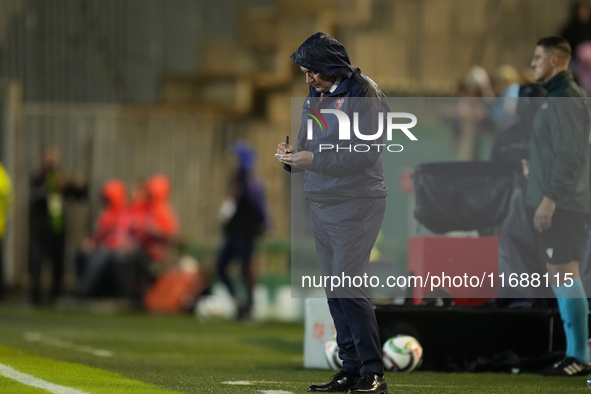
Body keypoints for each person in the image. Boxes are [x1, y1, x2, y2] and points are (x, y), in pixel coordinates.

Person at [277, 32, 388, 394]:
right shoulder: (318, 94)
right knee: (334, 289)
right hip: (323, 202)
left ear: (329, 66)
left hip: (357, 202)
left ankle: (374, 373)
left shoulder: (363, 93)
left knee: (348, 285)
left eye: (312, 71)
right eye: (305, 72)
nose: (307, 78)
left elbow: (365, 154)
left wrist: (314, 159)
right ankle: (351, 369)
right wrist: (293, 156)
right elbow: (310, 144)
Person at [527, 36, 591, 376]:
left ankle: (579, 355)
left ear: (555, 61)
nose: (532, 62)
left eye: (538, 57)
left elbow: (570, 156)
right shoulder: (559, 95)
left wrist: (549, 198)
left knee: (564, 271)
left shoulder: (565, 97)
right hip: (565, 198)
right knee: (563, 272)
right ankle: (575, 354)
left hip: (563, 201)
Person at [28, 147, 87, 306]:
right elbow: (35, 194)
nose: (52, 161)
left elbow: (80, 196)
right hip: (41, 229)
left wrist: (80, 185)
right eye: (49, 157)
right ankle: (36, 298)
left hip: (57, 228)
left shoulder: (61, 179)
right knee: (37, 264)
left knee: (58, 264)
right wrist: (51, 186)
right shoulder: (38, 178)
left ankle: (55, 297)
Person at [216, 141, 267, 320]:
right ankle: (239, 302)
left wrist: (265, 223)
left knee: (245, 268)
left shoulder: (249, 181)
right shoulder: (236, 179)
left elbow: (258, 205)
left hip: (245, 232)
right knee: (221, 266)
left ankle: (250, 307)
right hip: (233, 231)